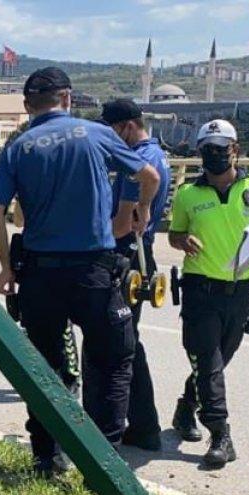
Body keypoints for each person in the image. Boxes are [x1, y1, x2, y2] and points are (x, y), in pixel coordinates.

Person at [0, 67, 161, 476]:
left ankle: (47, 457)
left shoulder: (18, 147)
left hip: (40, 276)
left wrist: (5, 268)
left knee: (44, 368)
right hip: (94, 272)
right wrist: (143, 210)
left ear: (28, 107)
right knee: (113, 360)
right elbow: (148, 175)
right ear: (68, 98)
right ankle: (106, 463)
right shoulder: (96, 134)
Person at [168, 119, 249, 468]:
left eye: (222, 148)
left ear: (235, 149)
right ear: (200, 153)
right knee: (207, 360)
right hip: (200, 288)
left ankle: (186, 407)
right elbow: (174, 235)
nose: (215, 155)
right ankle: (220, 433)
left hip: (242, 288)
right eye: (208, 150)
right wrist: (182, 241)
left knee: (218, 360)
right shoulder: (188, 193)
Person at [81, 99, 172, 452]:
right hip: (136, 252)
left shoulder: (141, 160)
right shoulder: (154, 154)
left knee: (119, 343)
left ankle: (140, 425)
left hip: (126, 253)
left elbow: (124, 223)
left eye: (110, 129)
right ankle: (143, 424)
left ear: (127, 126)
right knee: (126, 340)